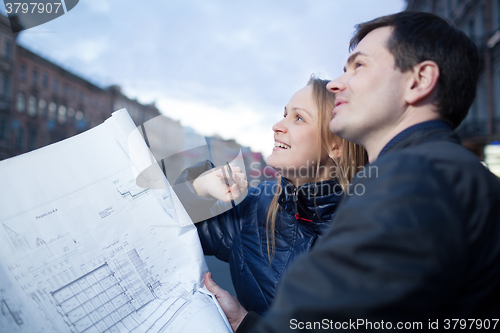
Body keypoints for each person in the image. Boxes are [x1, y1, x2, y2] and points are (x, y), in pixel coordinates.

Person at [209, 11, 500, 332]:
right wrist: (200, 185)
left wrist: (242, 323)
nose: (336, 83)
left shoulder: (417, 179)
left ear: (418, 81)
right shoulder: (444, 172)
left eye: (359, 65)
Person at [174, 76, 366, 321]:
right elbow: (164, 229)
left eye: (298, 118)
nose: (277, 125)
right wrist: (199, 187)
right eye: (284, 114)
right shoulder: (256, 207)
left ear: (336, 146)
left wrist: (244, 323)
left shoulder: (374, 233)